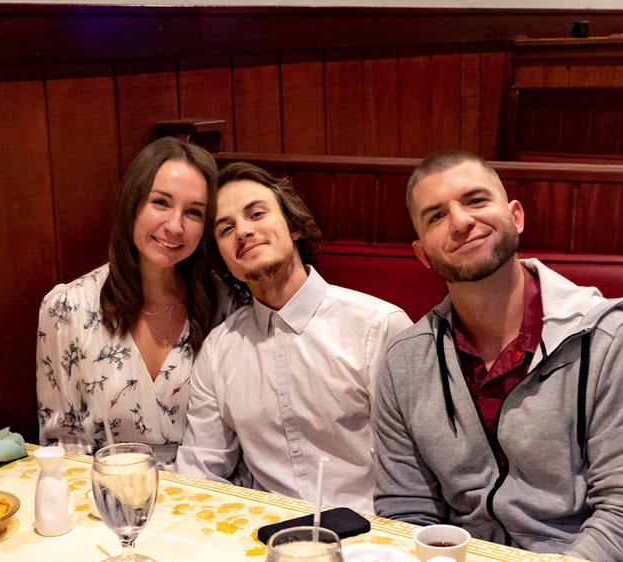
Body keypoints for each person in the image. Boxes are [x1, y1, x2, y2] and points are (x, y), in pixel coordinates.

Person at [372, 150, 623, 562]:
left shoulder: (609, 339)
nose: (461, 222)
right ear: (423, 253)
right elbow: (407, 513)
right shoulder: (404, 360)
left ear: (516, 216)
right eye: (436, 216)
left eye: (476, 200)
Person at [174, 162, 413, 513]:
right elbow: (201, 472)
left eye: (256, 213)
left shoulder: (379, 327)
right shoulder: (218, 349)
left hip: (372, 537)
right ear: (223, 260)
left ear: (294, 225)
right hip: (263, 540)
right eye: (226, 229)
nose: (243, 231)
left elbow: (413, 470)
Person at [36, 137, 223, 466]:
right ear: (131, 202)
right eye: (161, 203)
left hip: (212, 495)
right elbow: (64, 444)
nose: (175, 226)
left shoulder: (224, 304)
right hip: (107, 499)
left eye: (194, 212)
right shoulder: (67, 308)